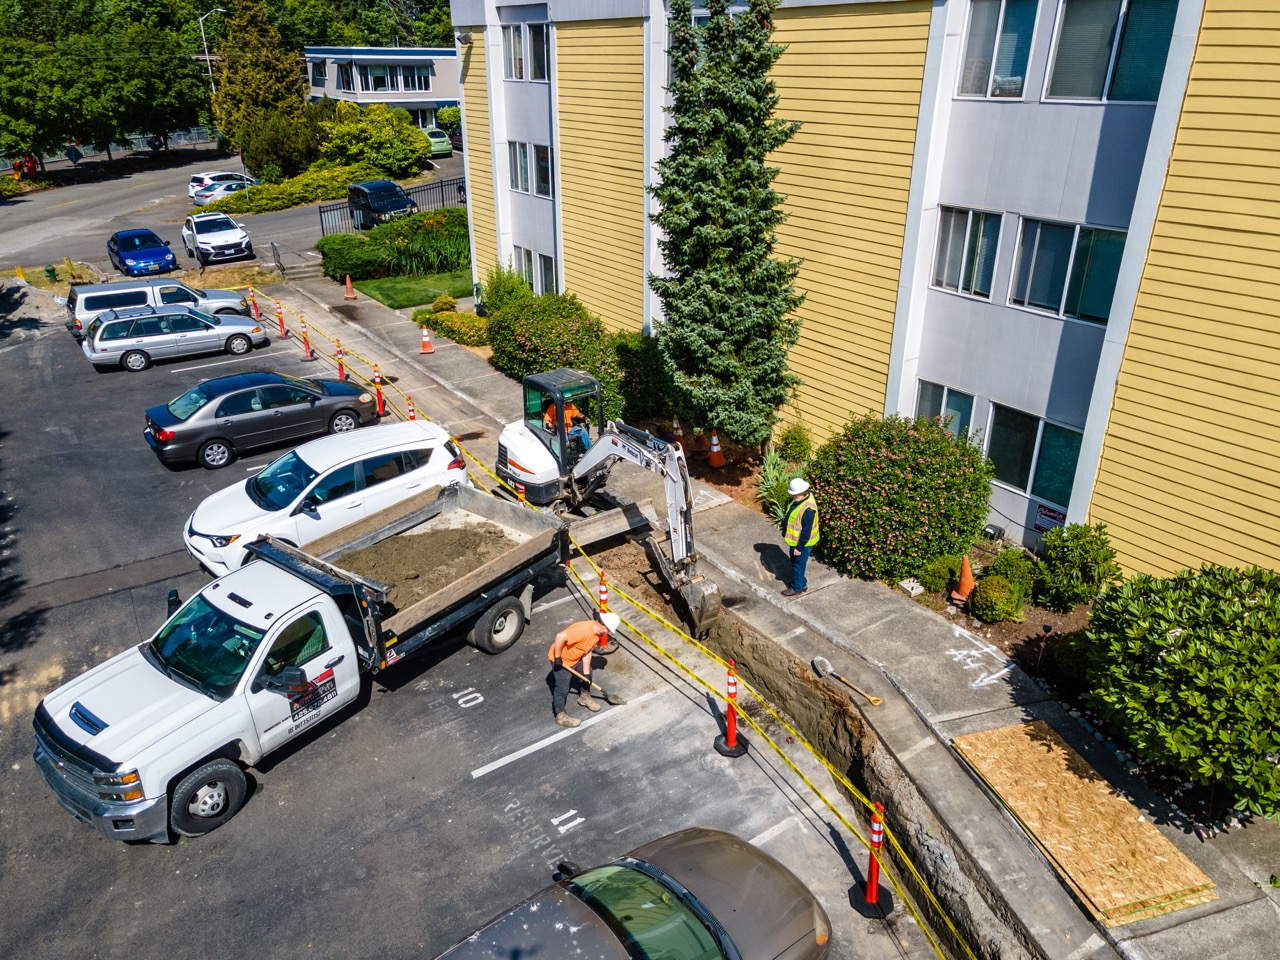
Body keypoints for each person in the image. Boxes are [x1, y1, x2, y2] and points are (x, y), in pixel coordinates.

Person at [548, 611, 620, 727]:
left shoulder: (597, 634)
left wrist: (586, 674)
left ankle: (584, 698)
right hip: (562, 661)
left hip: (575, 658)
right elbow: (560, 636)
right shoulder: (584, 630)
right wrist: (557, 657)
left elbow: (587, 652)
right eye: (609, 630)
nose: (608, 633)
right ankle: (560, 716)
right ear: (603, 626)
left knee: (588, 675)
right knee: (562, 688)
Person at [782, 477, 819, 597]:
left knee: (798, 566)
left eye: (795, 495)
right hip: (796, 542)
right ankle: (802, 584)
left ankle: (797, 587)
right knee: (796, 563)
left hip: (802, 544)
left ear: (802, 493)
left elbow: (806, 531)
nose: (793, 497)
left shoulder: (808, 509)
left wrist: (799, 547)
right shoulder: (801, 501)